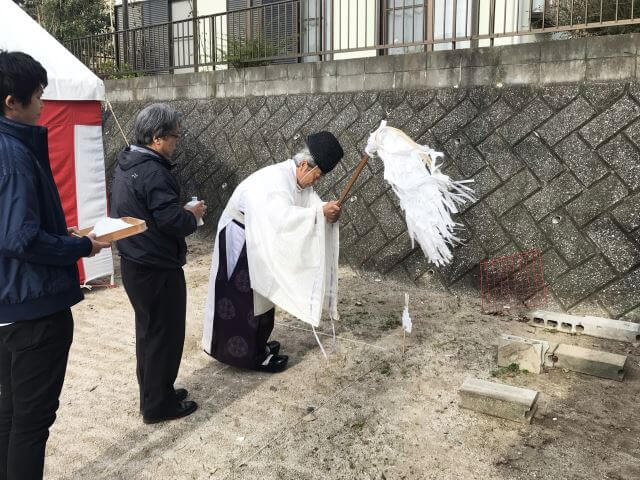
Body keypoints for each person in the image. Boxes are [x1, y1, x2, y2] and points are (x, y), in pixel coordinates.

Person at [0, 51, 110, 480]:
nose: (44, 102)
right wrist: (79, 247)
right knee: (30, 423)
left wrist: (64, 234)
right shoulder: (13, 155)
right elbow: (18, 237)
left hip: (10, 306)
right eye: (39, 94)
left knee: (9, 416)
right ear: (12, 101)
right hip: (33, 308)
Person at [202, 131, 343, 373]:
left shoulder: (298, 180)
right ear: (304, 165)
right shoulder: (273, 182)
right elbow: (280, 218)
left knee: (265, 293)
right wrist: (319, 214)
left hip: (259, 238)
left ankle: (258, 345)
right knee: (244, 298)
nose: (315, 182)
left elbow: (309, 204)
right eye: (316, 176)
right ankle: (246, 355)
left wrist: (324, 209)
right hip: (242, 238)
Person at [110, 103, 205, 424]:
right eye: (175, 137)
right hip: (156, 266)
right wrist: (192, 214)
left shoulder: (127, 162)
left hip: (136, 261)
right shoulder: (152, 171)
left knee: (150, 334)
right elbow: (171, 221)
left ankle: (155, 392)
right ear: (157, 138)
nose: (176, 142)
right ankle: (158, 405)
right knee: (164, 335)